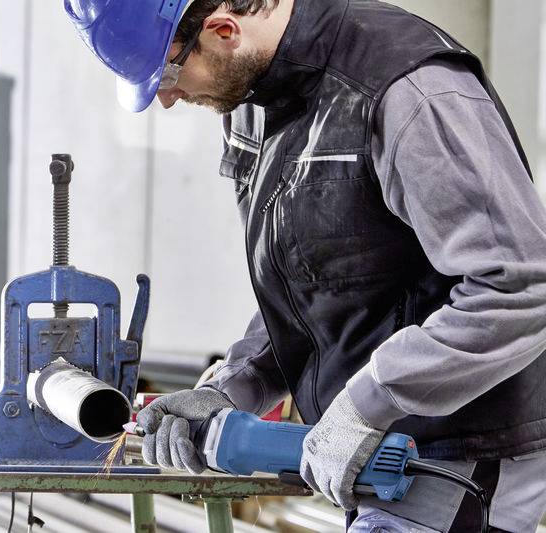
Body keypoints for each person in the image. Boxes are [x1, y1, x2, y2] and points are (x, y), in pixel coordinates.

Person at [65, 0, 546, 531]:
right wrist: (232, 386)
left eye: (169, 73)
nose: (169, 99)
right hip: (375, 457)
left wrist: (367, 403)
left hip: (464, 456)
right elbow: (316, 280)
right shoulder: (251, 100)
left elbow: (519, 285)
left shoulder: (404, 91)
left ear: (223, 31)